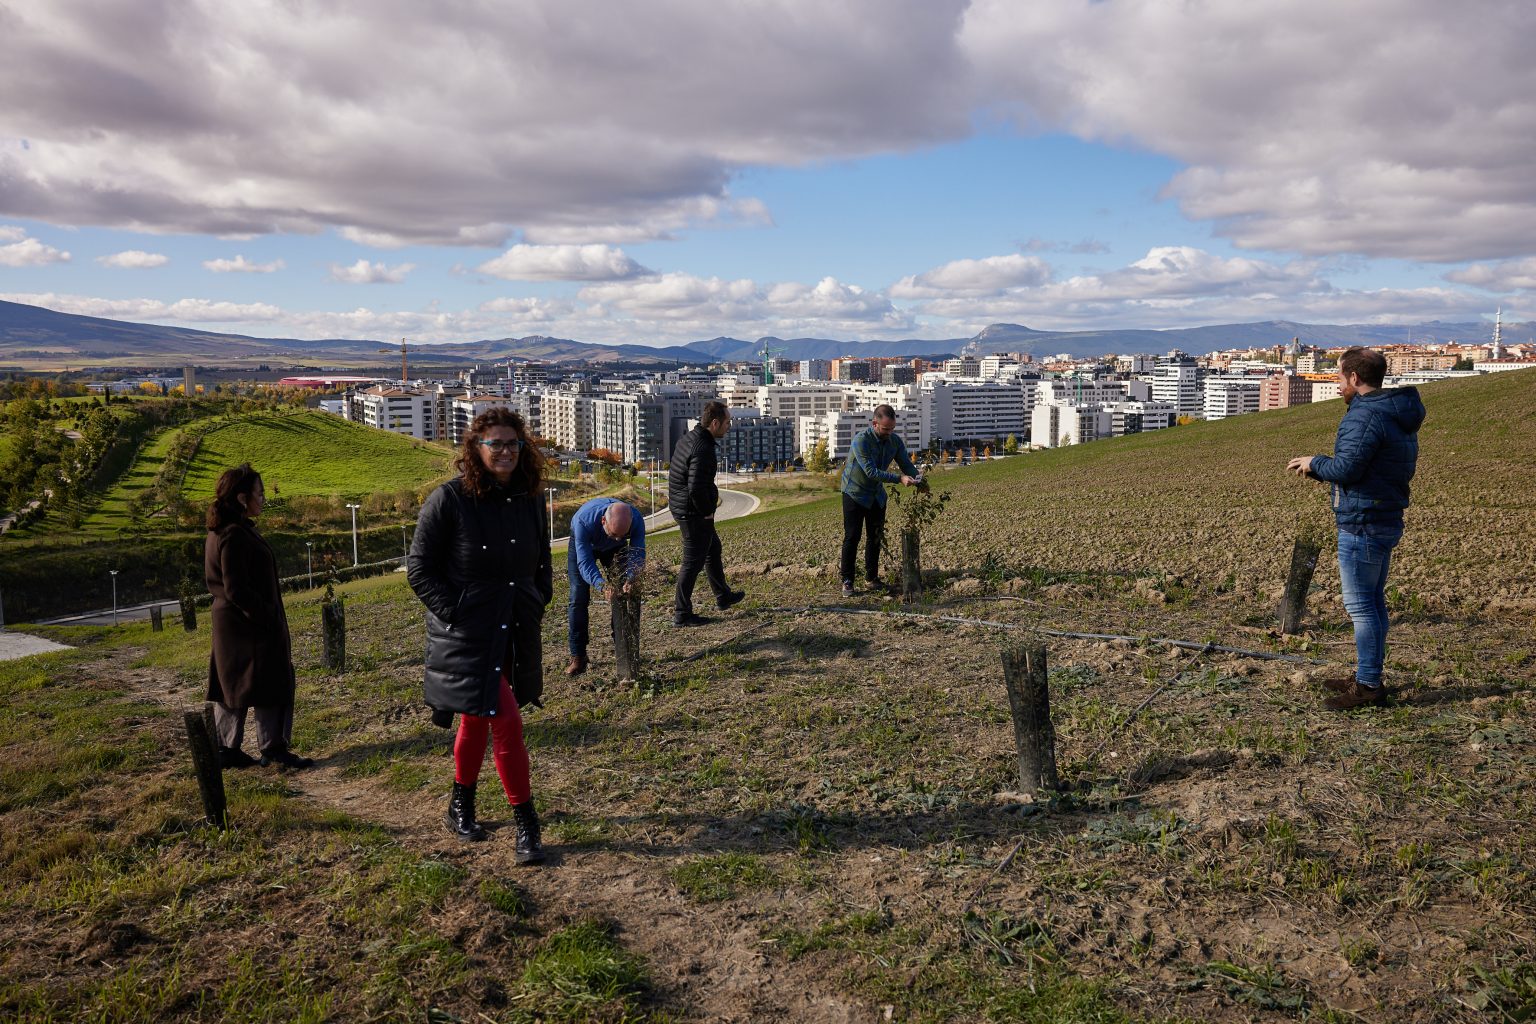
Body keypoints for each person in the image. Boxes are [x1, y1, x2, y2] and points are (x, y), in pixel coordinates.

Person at [408, 408, 552, 860]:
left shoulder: (530, 497)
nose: (507, 451)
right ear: (475, 448)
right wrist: (457, 614)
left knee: (476, 717)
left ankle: (460, 802)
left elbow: (542, 558)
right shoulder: (448, 500)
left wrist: (538, 597)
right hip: (469, 635)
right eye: (497, 444)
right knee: (505, 722)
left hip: (515, 627)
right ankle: (527, 821)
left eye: (514, 444)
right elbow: (420, 570)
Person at [1287, 347, 1424, 711]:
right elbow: (1372, 468)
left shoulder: (1364, 417)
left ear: (1355, 378)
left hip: (1363, 522)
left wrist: (1314, 462)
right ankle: (1367, 674)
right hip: (1384, 515)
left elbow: (1348, 470)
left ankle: (1368, 686)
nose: (1336, 383)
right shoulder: (1396, 413)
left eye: (1338, 376)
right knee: (1373, 603)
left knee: (1361, 607)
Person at [205, 463, 312, 770]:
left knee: (233, 684)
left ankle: (228, 747)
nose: (263, 499)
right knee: (271, 681)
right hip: (249, 626)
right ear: (242, 498)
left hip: (233, 626)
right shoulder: (234, 535)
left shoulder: (222, 531)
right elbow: (236, 588)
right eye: (259, 493)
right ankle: (272, 747)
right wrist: (267, 616)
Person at [839, 404, 922, 598]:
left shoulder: (894, 441)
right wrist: (899, 479)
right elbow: (871, 472)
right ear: (874, 423)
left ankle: (871, 578)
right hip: (855, 492)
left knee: (875, 537)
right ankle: (848, 580)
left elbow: (905, 464)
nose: (889, 432)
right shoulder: (861, 441)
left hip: (876, 495)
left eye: (892, 429)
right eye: (885, 429)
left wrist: (919, 480)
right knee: (852, 537)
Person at [565, 497, 646, 676]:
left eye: (622, 536)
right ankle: (578, 655)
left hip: (615, 551)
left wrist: (631, 578)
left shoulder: (636, 520)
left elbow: (638, 554)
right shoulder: (583, 522)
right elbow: (585, 563)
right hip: (585, 544)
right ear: (603, 521)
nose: (618, 538)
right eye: (613, 534)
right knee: (578, 597)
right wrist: (602, 585)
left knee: (625, 593)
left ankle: (624, 648)